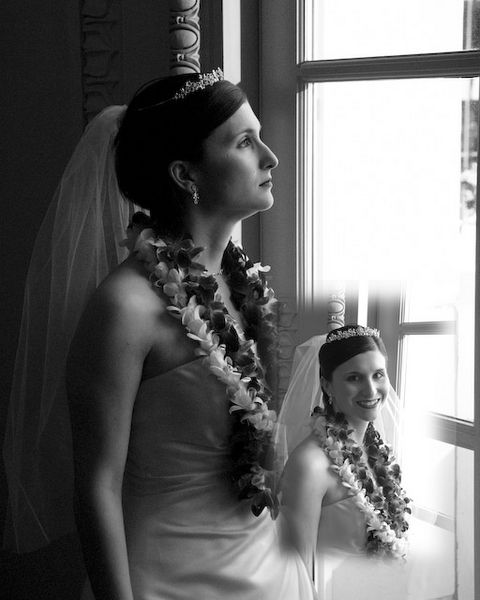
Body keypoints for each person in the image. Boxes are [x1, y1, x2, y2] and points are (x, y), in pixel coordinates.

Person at [4, 69, 317, 600]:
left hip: (270, 570)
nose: (271, 158)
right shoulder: (126, 307)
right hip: (169, 580)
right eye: (244, 142)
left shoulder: (245, 284)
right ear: (185, 174)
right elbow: (97, 487)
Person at [279, 325, 413, 598]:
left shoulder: (378, 452)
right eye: (354, 377)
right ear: (327, 385)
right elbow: (297, 573)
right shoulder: (310, 464)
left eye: (378, 375)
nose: (371, 389)